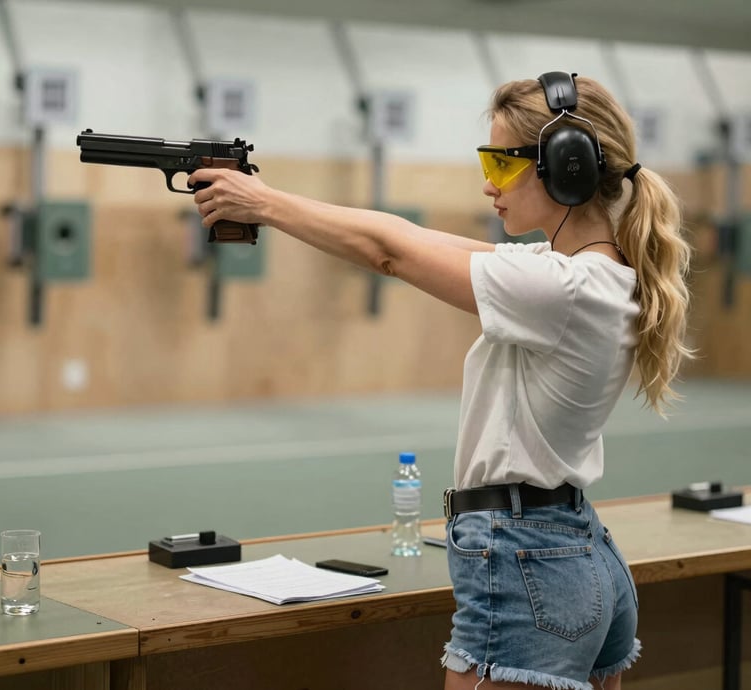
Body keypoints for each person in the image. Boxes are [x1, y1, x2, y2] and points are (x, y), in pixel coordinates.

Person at [189, 71, 692, 690]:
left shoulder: (561, 288)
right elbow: (416, 240)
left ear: (566, 166)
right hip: (578, 554)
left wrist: (264, 204)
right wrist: (269, 199)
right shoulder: (579, 276)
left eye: (502, 163)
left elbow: (389, 252)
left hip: (525, 557)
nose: (488, 184)